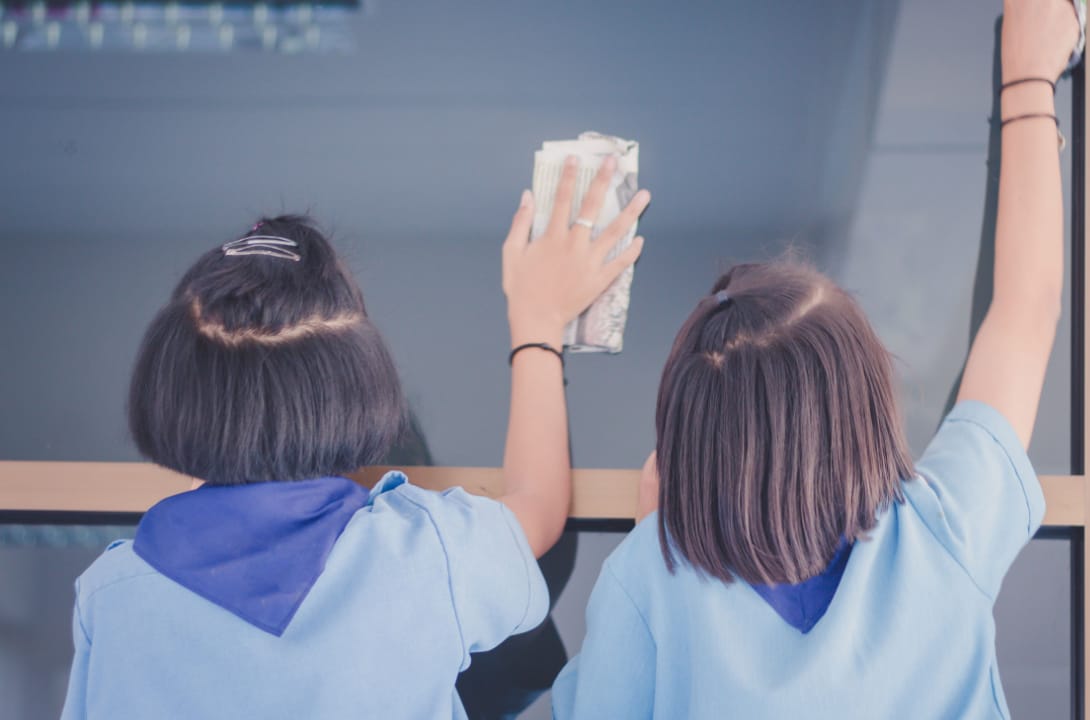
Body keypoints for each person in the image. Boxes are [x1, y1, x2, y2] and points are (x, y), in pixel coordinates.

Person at [550, 1, 1078, 717]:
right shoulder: (937, 536)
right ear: (867, 413)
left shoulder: (648, 583)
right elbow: (1025, 311)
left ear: (690, 449)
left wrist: (656, 538)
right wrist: (1027, 76)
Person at [60, 155, 649, 719]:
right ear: (360, 390)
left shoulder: (112, 599)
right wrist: (538, 326)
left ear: (170, 398)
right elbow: (538, 510)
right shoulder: (423, 556)